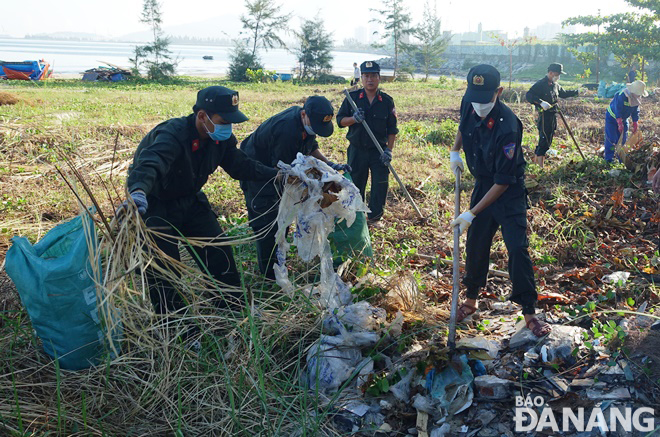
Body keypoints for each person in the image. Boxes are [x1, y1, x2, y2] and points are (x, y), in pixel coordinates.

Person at [124, 86, 279, 314]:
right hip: (155, 203)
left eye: (230, 121)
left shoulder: (219, 139)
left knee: (218, 250)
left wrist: (277, 175)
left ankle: (231, 309)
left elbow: (241, 165)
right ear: (202, 116)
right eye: (223, 120)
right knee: (164, 268)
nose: (227, 126)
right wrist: (137, 191)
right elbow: (150, 162)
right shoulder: (173, 134)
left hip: (190, 199)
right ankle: (175, 323)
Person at [450, 64, 551, 337]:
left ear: (499, 92)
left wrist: (471, 213)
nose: (479, 105)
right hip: (484, 183)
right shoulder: (471, 101)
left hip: (508, 190)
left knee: (517, 248)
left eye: (485, 99)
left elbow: (503, 181)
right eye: (474, 98)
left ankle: (529, 312)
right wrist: (455, 151)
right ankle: (471, 301)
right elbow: (464, 124)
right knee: (476, 244)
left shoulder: (508, 126)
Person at [240, 96, 350, 279]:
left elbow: (310, 147)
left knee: (282, 219)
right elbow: (286, 173)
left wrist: (330, 167)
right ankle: (269, 275)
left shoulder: (307, 122)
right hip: (258, 174)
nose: (316, 130)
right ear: (304, 114)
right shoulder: (287, 131)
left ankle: (279, 262)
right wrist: (318, 186)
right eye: (315, 127)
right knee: (266, 222)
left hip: (277, 171)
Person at [337, 60, 398, 225]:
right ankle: (356, 218)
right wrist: (353, 119)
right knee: (356, 184)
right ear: (361, 78)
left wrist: (389, 151)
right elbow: (340, 121)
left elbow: (392, 129)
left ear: (379, 78)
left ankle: (375, 218)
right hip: (357, 150)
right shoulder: (353, 99)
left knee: (380, 184)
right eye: (366, 76)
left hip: (379, 151)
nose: (369, 79)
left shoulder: (386, 101)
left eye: (373, 76)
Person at [525, 63, 579, 167]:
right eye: (557, 74)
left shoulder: (555, 85)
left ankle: (536, 162)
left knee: (549, 138)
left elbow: (564, 93)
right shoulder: (540, 84)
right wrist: (540, 102)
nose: (558, 77)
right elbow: (529, 95)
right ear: (550, 73)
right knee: (544, 139)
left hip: (553, 114)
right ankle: (540, 166)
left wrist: (577, 92)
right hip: (545, 115)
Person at [603, 80, 647, 163]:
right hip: (612, 118)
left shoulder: (637, 98)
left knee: (623, 140)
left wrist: (635, 122)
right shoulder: (621, 95)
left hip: (624, 119)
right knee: (611, 139)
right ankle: (608, 159)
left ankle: (621, 159)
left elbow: (635, 111)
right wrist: (619, 123)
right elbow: (617, 109)